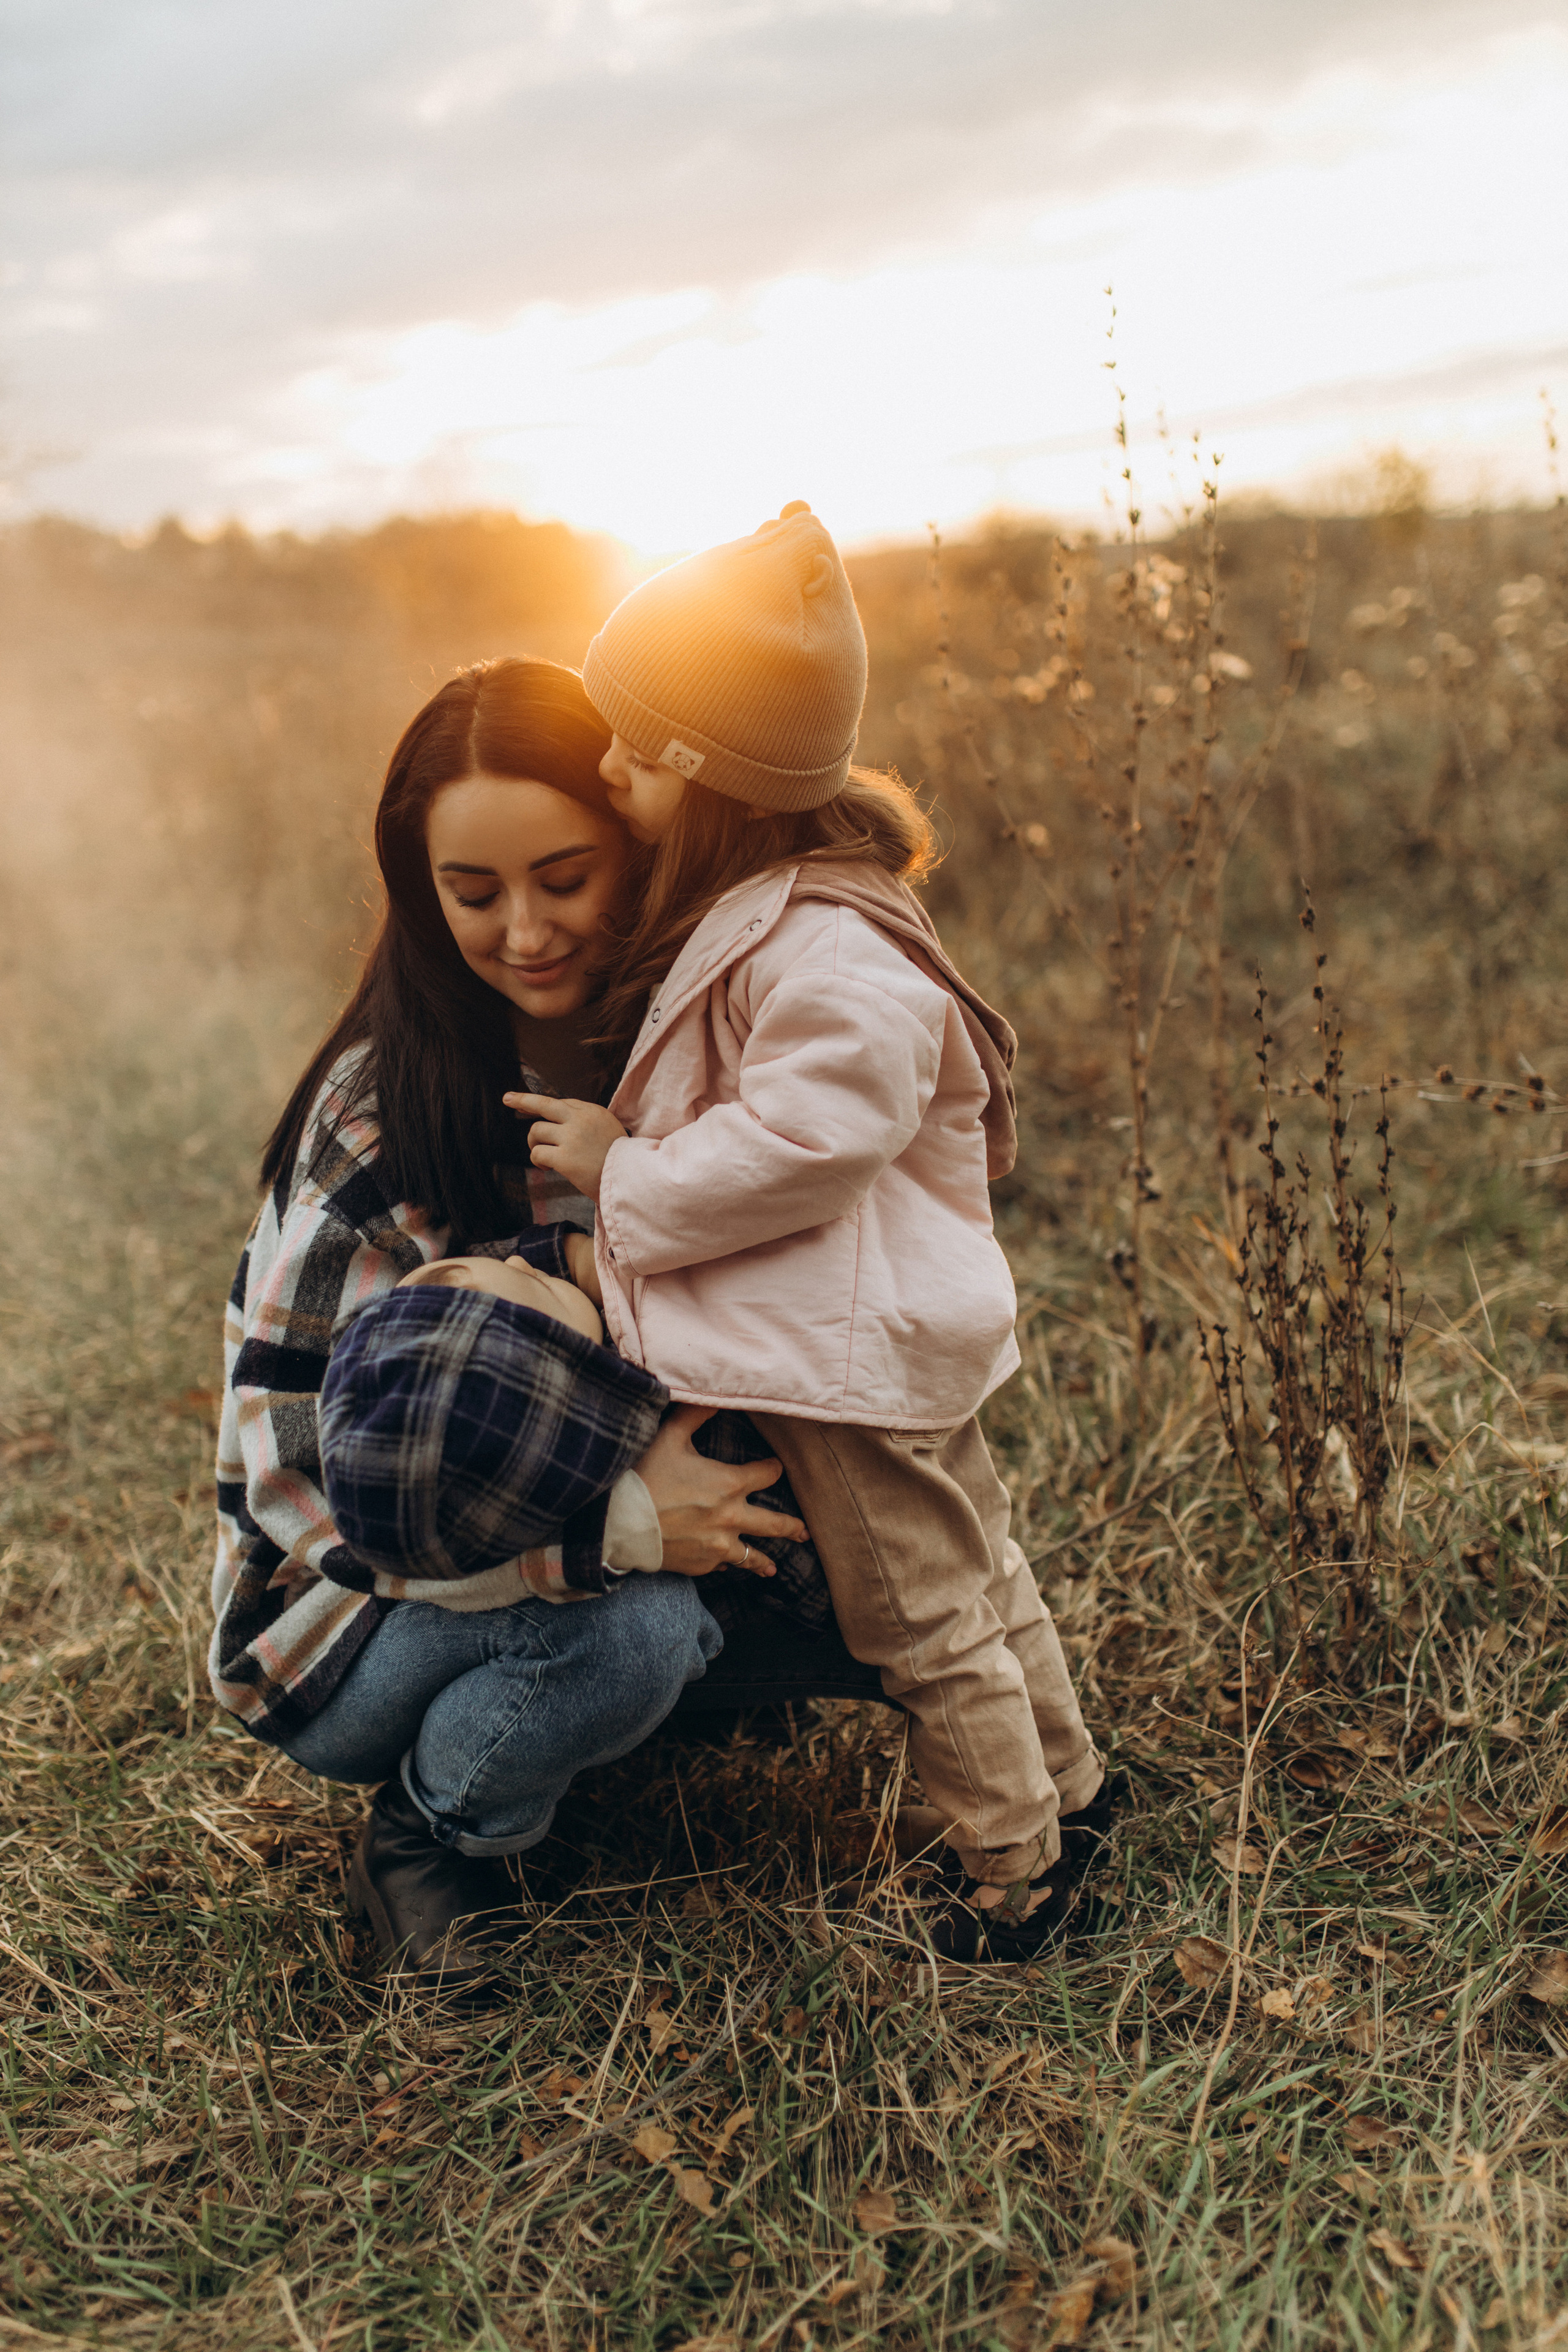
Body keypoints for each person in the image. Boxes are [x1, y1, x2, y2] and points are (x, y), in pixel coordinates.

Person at [209, 657, 862, 2002]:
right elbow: (291, 1470)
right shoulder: (383, 1114)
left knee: (887, 1582)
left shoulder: (697, 1065)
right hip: (352, 1614)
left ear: (642, 843)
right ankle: (432, 1834)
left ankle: (651, 1689)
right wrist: (614, 1528)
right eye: (473, 893)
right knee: (638, 1634)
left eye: (565, 878)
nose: (523, 931)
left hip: (621, 1509)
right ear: (422, 894)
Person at [507, 505, 1108, 1963]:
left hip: (841, 1356)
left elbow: (807, 1142)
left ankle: (1014, 1878)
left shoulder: (822, 944)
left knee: (918, 1615)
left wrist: (627, 1171)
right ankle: (1073, 1791)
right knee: (979, 1564)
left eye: (638, 751)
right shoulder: (798, 914)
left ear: (714, 778)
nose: (608, 771)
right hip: (868, 1327)